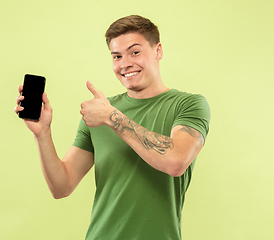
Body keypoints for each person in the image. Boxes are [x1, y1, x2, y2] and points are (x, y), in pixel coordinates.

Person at [15, 15, 210, 240]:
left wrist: (112, 117)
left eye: (134, 52)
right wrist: (42, 133)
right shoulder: (99, 113)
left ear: (158, 51)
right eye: (117, 56)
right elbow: (62, 186)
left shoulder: (188, 104)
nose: (125, 63)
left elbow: (176, 161)